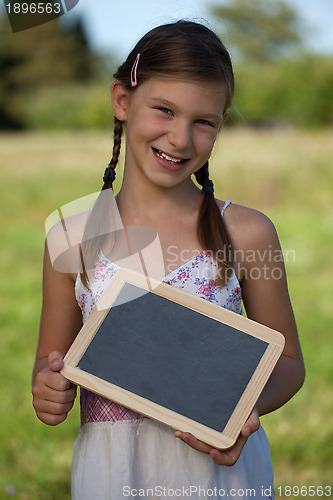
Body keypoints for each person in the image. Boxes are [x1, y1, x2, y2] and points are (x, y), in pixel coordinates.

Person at [32, 20, 305, 500]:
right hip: (114, 473)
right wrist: (49, 389)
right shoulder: (71, 237)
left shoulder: (248, 232)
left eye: (204, 122)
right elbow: (50, 360)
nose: (180, 138)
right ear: (122, 100)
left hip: (219, 475)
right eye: (164, 110)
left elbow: (287, 362)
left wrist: (240, 409)